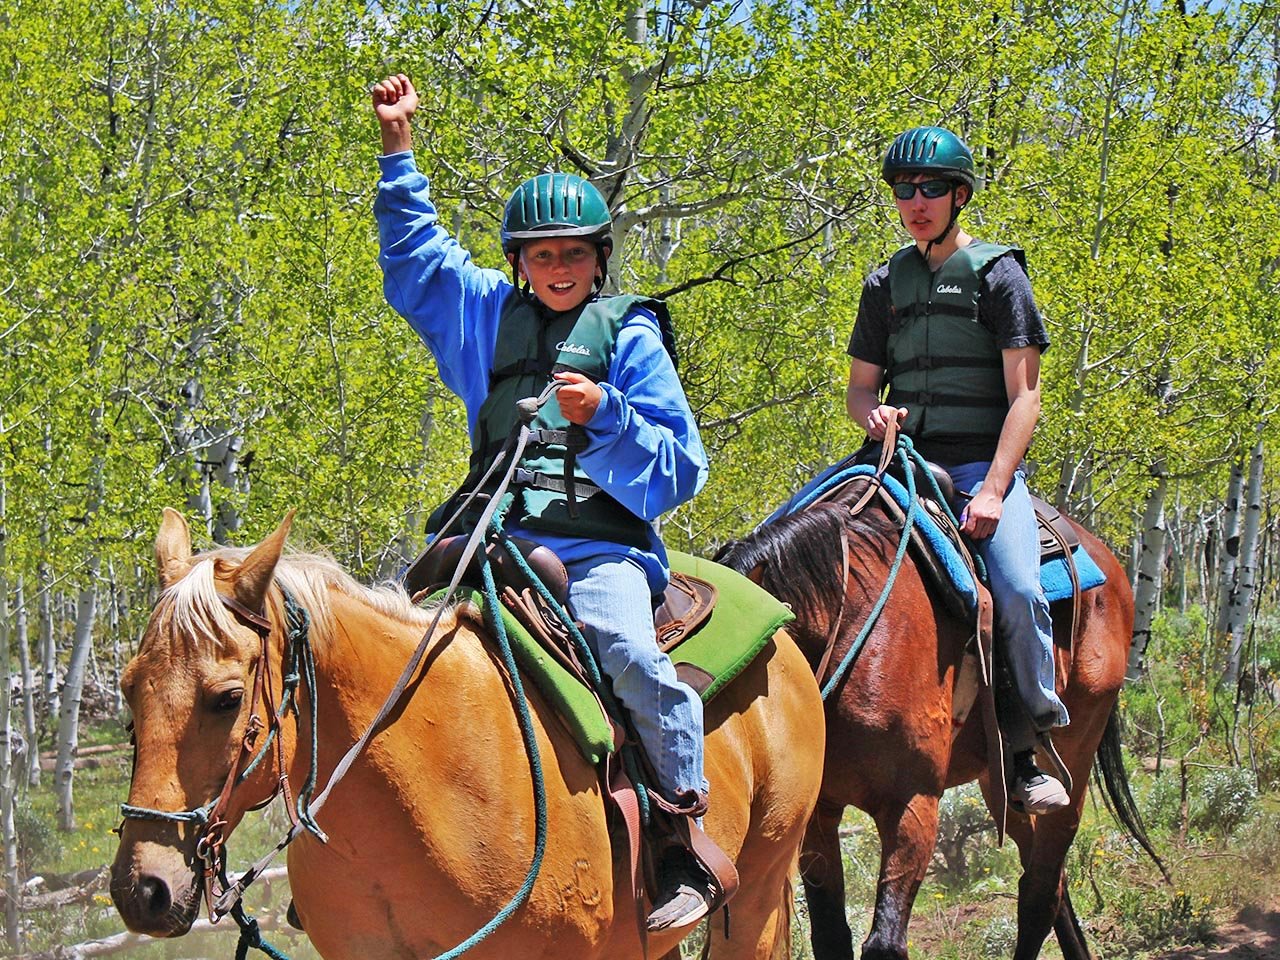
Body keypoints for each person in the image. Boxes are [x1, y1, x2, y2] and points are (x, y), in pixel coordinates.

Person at [371, 74, 715, 928]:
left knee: (629, 655)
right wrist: (397, 147)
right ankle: (370, 848)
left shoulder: (630, 336)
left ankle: (682, 836)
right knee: (380, 664)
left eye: (573, 254)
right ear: (519, 263)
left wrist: (607, 417)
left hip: (600, 552)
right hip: (494, 542)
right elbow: (417, 258)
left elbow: (679, 469)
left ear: (599, 259)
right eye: (541, 255)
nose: (558, 269)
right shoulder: (486, 318)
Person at [845, 125, 1070, 815]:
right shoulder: (885, 281)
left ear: (959, 194)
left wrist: (997, 490)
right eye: (904, 190)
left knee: (1018, 588)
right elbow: (860, 390)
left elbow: (1026, 395)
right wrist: (872, 419)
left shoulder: (1000, 273)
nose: (916, 201)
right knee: (791, 537)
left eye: (931, 189)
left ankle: (1027, 743)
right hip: (899, 463)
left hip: (978, 466)